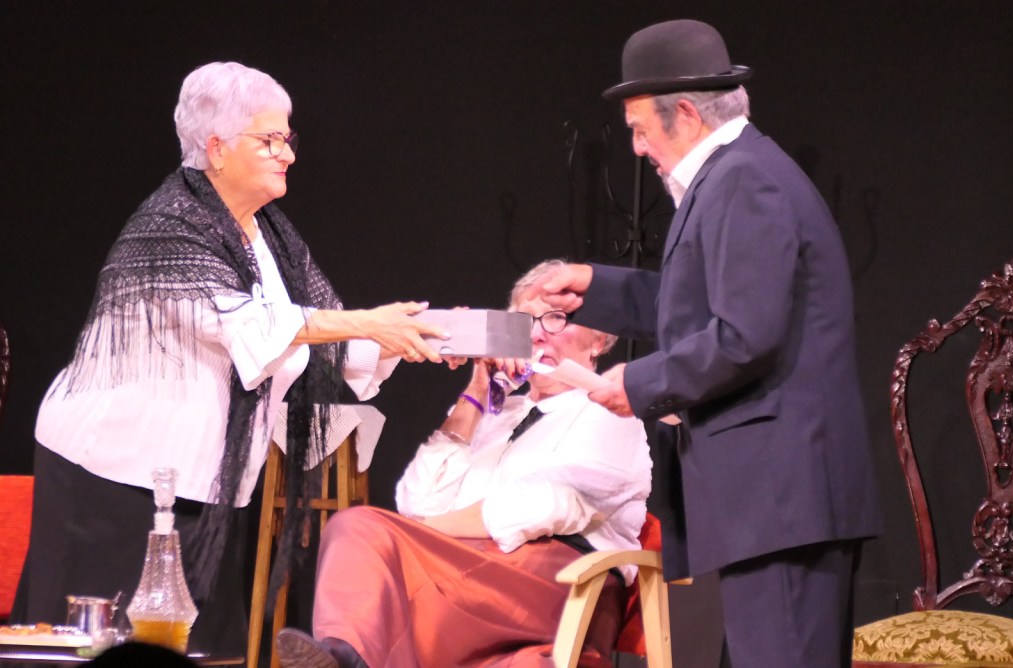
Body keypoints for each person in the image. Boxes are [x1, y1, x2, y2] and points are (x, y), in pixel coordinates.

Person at [12, 61, 448, 657]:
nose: (287, 154)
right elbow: (256, 327)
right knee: (103, 648)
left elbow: (319, 333)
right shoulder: (168, 230)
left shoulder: (267, 234)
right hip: (112, 475)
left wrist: (427, 338)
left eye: (287, 138)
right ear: (217, 148)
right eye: (269, 139)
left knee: (196, 648)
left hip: (199, 479)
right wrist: (371, 323)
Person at [526, 20, 883, 668]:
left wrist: (636, 385)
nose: (637, 148)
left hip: (782, 497)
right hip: (776, 502)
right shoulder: (737, 175)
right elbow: (702, 303)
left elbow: (745, 334)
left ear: (686, 114)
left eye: (640, 129)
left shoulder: (744, 181)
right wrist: (593, 288)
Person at [275, 259, 653, 668]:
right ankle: (346, 656)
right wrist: (474, 394)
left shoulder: (612, 413)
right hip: (470, 584)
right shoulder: (498, 414)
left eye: (557, 318)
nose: (537, 333)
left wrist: (419, 536)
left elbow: (551, 504)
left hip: (557, 586)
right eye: (524, 322)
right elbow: (417, 502)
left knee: (380, 546)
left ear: (599, 339)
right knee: (353, 526)